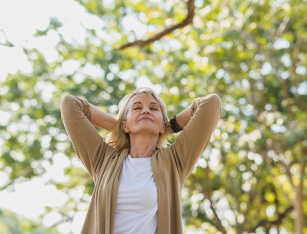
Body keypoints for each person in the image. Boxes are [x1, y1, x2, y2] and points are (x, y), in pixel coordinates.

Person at [60, 86, 222, 234]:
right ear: (125, 125)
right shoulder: (103, 160)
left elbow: (211, 104)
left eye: (153, 108)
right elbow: (70, 105)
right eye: (137, 108)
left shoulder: (175, 161)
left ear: (162, 125)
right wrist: (120, 128)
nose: (146, 111)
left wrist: (168, 128)